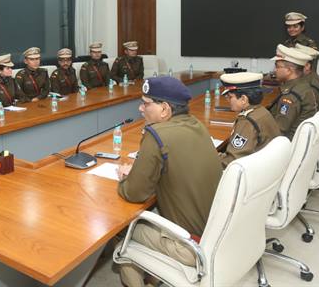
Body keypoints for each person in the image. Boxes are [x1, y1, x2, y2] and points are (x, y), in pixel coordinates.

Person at [116, 77, 222, 287]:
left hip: (191, 245)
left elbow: (134, 193)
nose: (140, 108)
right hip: (216, 233)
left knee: (122, 229)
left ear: (164, 109)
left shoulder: (156, 134)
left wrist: (125, 178)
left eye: (146, 103)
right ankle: (154, 279)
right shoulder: (196, 124)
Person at [218, 72, 281, 168]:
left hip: (255, 173)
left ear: (243, 99)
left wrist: (214, 157)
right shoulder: (262, 111)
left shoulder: (247, 122)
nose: (228, 101)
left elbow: (232, 162)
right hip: (269, 168)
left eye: (230, 97)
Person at [268, 44, 317, 140]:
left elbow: (278, 132)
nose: (275, 70)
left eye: (277, 67)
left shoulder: (290, 96)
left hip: (285, 146)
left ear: (289, 70)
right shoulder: (302, 85)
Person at [295, 43, 319, 110]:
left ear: (307, 66)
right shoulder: (308, 76)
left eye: (295, 64)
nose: (292, 68)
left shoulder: (310, 88)